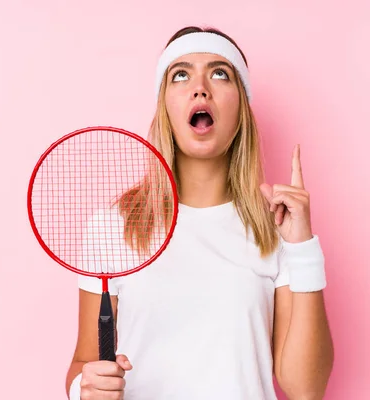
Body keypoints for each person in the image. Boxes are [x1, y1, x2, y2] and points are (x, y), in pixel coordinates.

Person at [65, 26, 334, 400]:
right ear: (165, 107)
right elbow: (84, 362)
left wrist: (303, 249)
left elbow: (306, 389)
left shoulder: (276, 229)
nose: (200, 87)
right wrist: (85, 387)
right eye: (181, 74)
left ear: (241, 105)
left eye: (220, 73)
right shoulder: (114, 226)